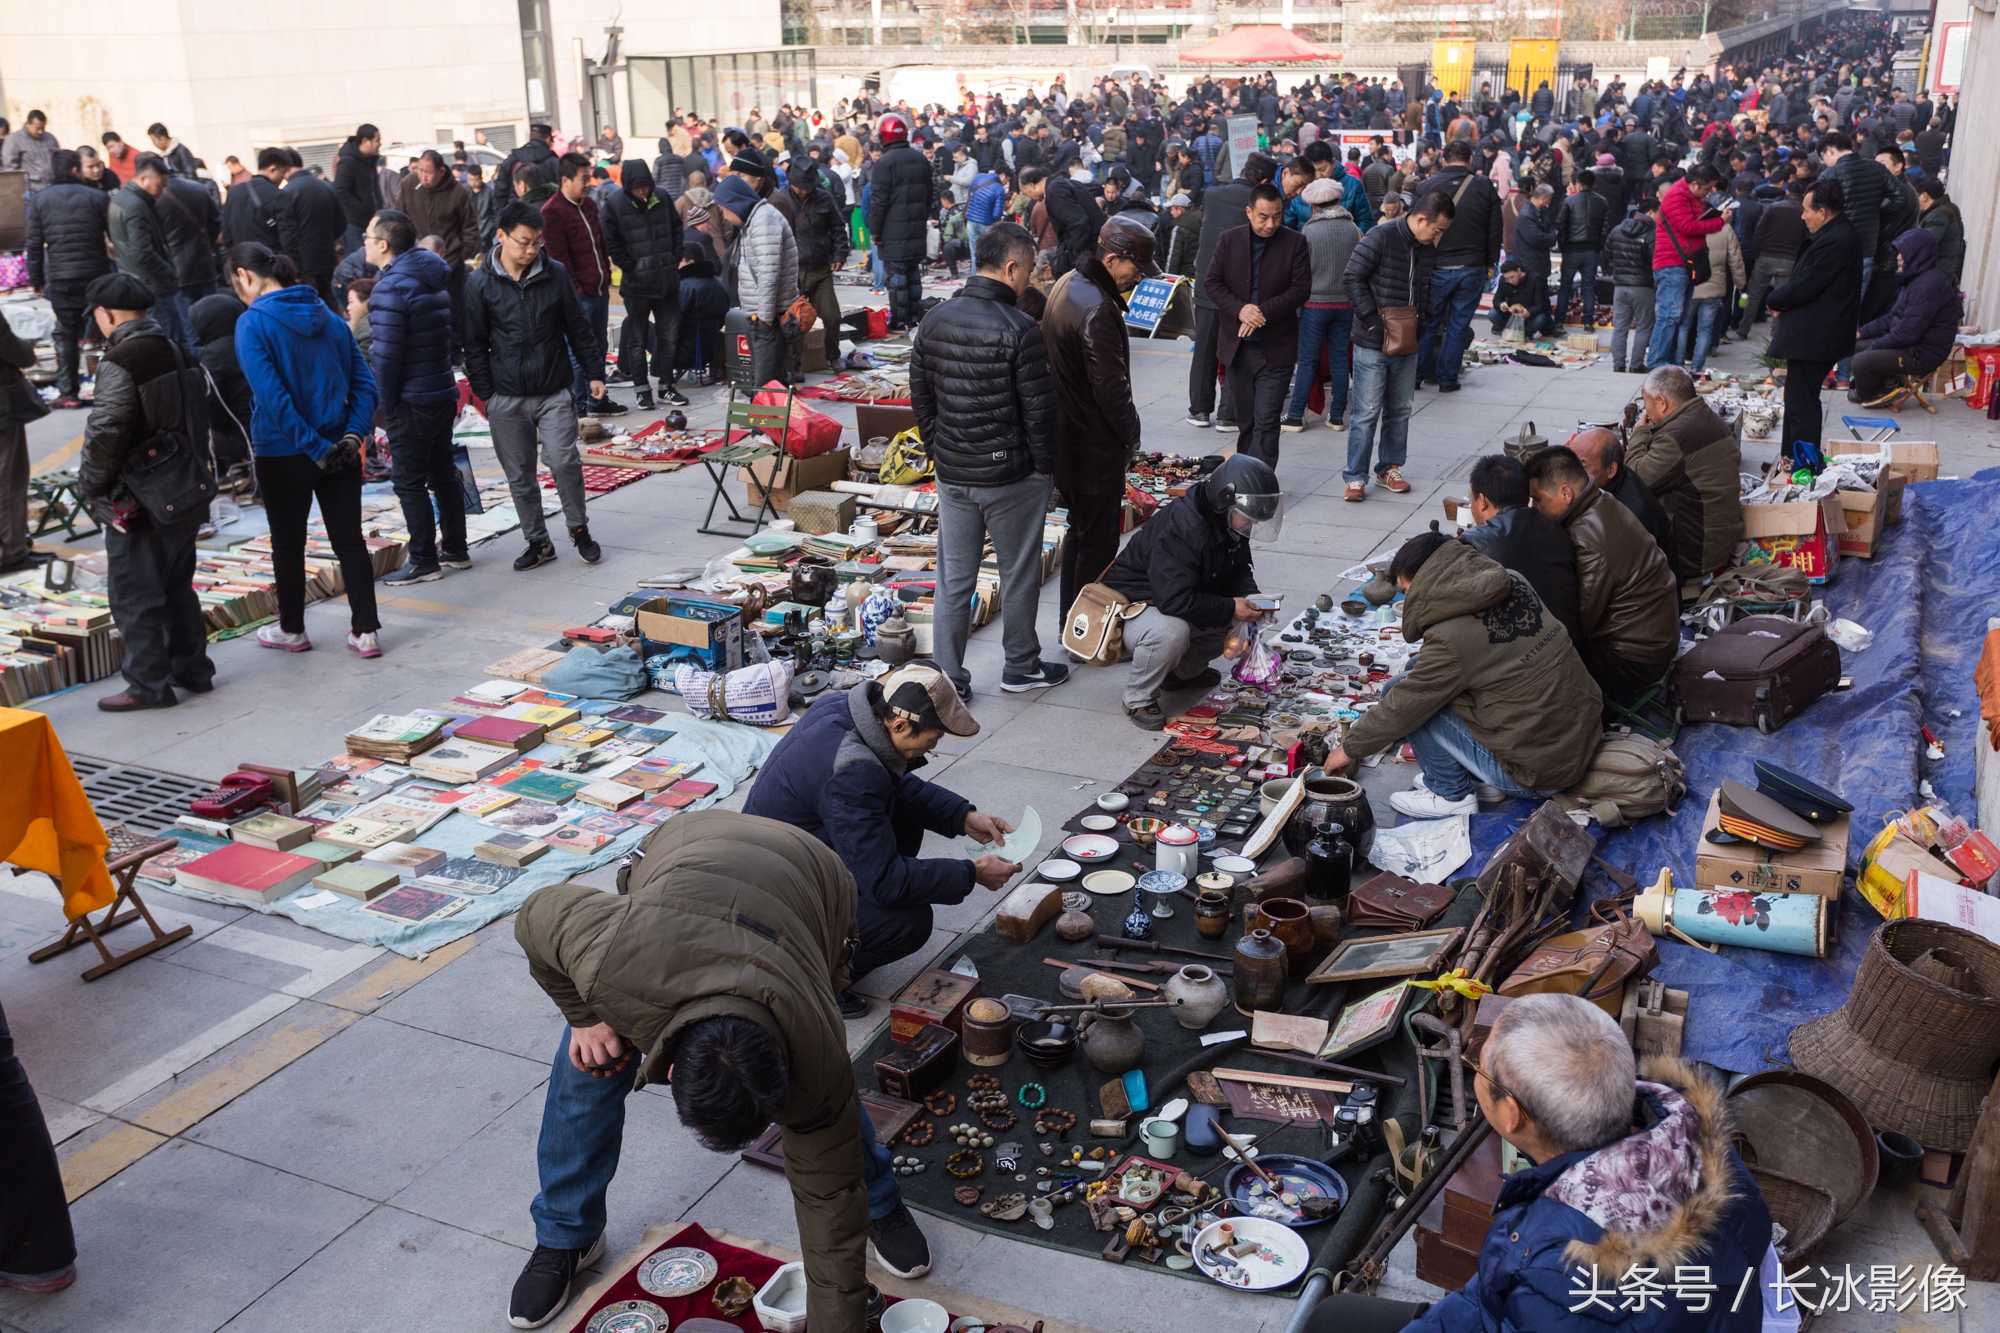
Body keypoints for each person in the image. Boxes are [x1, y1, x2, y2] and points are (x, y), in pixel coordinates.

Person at [509, 808, 937, 1330]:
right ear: (668, 1071)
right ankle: (566, 1236)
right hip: (688, 848)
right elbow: (536, 913)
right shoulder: (611, 960)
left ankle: (879, 1203)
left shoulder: (813, 1047)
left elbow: (825, 1202)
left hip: (813, 876)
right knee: (588, 1062)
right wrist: (585, 1016)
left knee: (829, 1117)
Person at [1299, 994, 1774, 1333]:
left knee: (1332, 1320)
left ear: (1510, 1114)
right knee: (1337, 1316)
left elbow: (1535, 1299)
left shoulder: (1554, 1257)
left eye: (1480, 1069)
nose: (1474, 1070)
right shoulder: (1701, 1143)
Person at [745, 665, 1019, 1009]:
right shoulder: (853, 773)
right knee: (907, 923)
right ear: (900, 725)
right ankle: (810, 983)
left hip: (778, 860)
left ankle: (838, 935)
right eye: (931, 741)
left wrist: (961, 816)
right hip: (774, 904)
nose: (931, 751)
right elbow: (886, 881)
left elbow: (890, 782)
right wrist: (971, 873)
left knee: (902, 820)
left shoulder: (844, 707)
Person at [1326, 531, 1600, 818]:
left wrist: (1348, 749)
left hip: (1538, 775)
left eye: (1407, 592)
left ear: (1427, 581)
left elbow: (1405, 705)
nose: (1408, 601)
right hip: (1576, 741)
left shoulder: (1452, 639)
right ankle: (1482, 778)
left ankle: (1452, 794)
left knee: (1409, 701)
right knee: (1411, 675)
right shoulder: (1512, 580)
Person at [909, 222, 1065, 699]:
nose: (1032, 281)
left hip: (955, 473)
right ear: (1010, 266)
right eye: (1030, 271)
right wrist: (1045, 468)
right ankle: (1019, 666)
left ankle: (948, 679)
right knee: (1018, 573)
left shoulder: (935, 318)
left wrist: (942, 448)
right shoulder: (1020, 328)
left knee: (954, 579)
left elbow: (921, 395)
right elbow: (1039, 412)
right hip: (1009, 476)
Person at [228, 243, 383, 658]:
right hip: (341, 447)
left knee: (288, 542)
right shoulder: (330, 318)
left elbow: (273, 399)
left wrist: (315, 447)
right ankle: (366, 631)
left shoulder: (252, 323)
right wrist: (352, 438)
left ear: (244, 275)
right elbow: (366, 384)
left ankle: (292, 629)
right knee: (350, 541)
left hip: (284, 452)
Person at [76, 273, 216, 710]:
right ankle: (192, 670)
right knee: (178, 586)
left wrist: (91, 485)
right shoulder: (180, 352)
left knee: (135, 593)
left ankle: (147, 686)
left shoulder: (122, 361)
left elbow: (107, 430)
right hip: (185, 487)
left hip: (141, 497)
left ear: (105, 315)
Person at [463, 202, 604, 572]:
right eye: (524, 242)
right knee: (520, 475)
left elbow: (578, 327)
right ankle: (538, 541)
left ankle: (579, 529)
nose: (531, 250)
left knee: (563, 460)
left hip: (553, 390)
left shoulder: (554, 274)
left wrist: (594, 372)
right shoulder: (479, 283)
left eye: (537, 243)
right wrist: (486, 395)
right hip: (505, 397)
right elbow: (473, 344)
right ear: (501, 236)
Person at [1102, 454, 1273, 731]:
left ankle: (1181, 674)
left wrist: (1251, 598)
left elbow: (1239, 570)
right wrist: (1231, 607)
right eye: (1249, 517)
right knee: (1172, 631)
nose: (1250, 524)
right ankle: (1138, 698)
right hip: (1126, 610)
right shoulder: (1183, 528)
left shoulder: (1229, 521)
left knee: (1235, 618)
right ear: (1225, 499)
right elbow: (1174, 600)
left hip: (1169, 599)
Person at [1043, 213, 1154, 621]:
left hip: (1068, 437)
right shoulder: (1097, 309)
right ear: (1112, 260)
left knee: (1082, 534)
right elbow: (1112, 391)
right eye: (1136, 267)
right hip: (1091, 445)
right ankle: (1085, 629)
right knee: (1097, 543)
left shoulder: (1069, 283)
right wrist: (1132, 437)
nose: (1139, 278)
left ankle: (1069, 624)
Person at [1525, 445, 1680, 700]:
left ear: (1566, 493)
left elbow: (1577, 624)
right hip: (1656, 635)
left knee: (1537, 659)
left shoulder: (1588, 538)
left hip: (1635, 659)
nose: (1534, 508)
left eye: (1538, 499)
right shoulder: (1601, 498)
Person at [362, 209, 466, 587]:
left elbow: (386, 356)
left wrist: (383, 406)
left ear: (384, 245)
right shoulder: (429, 277)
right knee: (442, 473)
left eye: (368, 237)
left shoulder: (391, 288)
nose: (365, 241)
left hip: (412, 397)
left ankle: (423, 559)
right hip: (440, 390)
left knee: (408, 481)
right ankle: (455, 548)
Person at [1342, 189, 1451, 501]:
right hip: (1373, 341)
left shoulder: (1427, 248)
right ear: (1420, 219)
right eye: (1437, 229)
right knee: (1365, 412)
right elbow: (1352, 278)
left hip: (1409, 340)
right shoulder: (1380, 236)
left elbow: (1427, 287)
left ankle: (1388, 468)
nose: (1438, 236)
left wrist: (1425, 323)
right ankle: (1355, 476)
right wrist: (1372, 321)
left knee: (1400, 409)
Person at [1203, 183, 1312, 470]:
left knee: (1267, 419)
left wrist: (1261, 312)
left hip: (1276, 348)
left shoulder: (1295, 242)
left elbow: (1300, 289)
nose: (1271, 223)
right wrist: (1240, 309)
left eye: (1277, 216)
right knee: (1246, 421)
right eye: (1263, 216)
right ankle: (1243, 474)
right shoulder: (1230, 240)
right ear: (1249, 212)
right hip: (1238, 349)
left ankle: (1259, 482)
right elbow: (1212, 283)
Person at [1765, 176, 1861, 466]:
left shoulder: (1836, 239)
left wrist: (1775, 299)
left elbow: (1805, 286)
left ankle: (1803, 463)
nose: (1803, 215)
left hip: (1816, 337)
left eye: (1807, 209)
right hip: (1814, 334)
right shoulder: (1835, 234)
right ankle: (1789, 460)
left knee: (1802, 405)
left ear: (1822, 212)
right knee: (1796, 401)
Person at [1624, 366, 1737, 582]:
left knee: (1621, 506)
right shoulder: (1705, 416)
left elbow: (1635, 480)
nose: (1645, 410)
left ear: (1662, 403)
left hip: (1694, 555)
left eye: (1646, 402)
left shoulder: (1675, 437)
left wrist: (1639, 433)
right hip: (1717, 541)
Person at [1184, 152, 1272, 430]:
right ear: (1265, 180)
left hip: (1207, 283)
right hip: (1238, 291)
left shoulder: (1212, 194)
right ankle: (1227, 414)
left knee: (1204, 350)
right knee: (1236, 351)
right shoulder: (1254, 204)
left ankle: (1198, 410)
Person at [1460, 453, 1581, 644]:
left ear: (1482, 501)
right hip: (1567, 647)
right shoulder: (1556, 528)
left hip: (1520, 662)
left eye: (1471, 498)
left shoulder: (1476, 544)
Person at [1411, 140, 1502, 394]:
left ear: (1443, 158)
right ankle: (1448, 379)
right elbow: (1495, 227)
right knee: (1459, 325)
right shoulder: (1483, 186)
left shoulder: (1426, 185)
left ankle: (1416, 376)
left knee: (1428, 322)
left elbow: (1413, 225)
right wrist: (1491, 262)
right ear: (1470, 160)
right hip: (1472, 266)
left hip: (1435, 265)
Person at [26, 149, 112, 410]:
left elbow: (33, 244)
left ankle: (69, 393)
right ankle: (112, 389)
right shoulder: (97, 197)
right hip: (96, 275)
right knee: (107, 333)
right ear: (76, 169)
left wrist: (36, 279)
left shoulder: (40, 200)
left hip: (61, 277)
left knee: (65, 335)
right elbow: (114, 238)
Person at [538, 154, 621, 418]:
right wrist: (576, 291)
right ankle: (581, 405)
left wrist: (606, 276)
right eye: (584, 178)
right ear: (566, 180)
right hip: (578, 295)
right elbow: (558, 259)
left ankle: (599, 400)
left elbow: (600, 244)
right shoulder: (552, 212)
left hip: (598, 290)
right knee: (577, 352)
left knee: (598, 348)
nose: (589, 183)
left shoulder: (589, 205)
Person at [601, 158, 687, 411]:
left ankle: (666, 386)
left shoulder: (661, 196)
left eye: (646, 187)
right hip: (637, 286)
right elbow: (611, 243)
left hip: (667, 281)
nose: (643, 192)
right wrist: (631, 267)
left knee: (669, 337)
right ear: (628, 187)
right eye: (637, 188)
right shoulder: (614, 204)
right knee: (636, 340)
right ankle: (641, 389)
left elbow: (677, 228)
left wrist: (675, 257)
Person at [1850, 227, 1962, 407]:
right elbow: (1892, 316)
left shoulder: (1928, 286)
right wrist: (1861, 333)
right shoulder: (1914, 279)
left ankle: (1870, 394)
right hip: (1909, 345)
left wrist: (1874, 346)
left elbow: (1908, 333)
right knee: (1850, 344)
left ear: (1918, 255)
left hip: (1923, 354)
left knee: (1861, 361)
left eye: (1903, 253)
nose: (1898, 257)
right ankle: (1887, 384)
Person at [1283, 177, 1359, 433]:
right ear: (1339, 201)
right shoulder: (1352, 229)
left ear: (1314, 207)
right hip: (1345, 305)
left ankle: (1295, 416)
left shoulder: (1309, 231)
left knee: (1307, 361)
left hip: (1315, 306)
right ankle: (1336, 416)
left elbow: (1301, 274)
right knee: (1339, 360)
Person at [713, 174, 800, 388]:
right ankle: (772, 419)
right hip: (760, 315)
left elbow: (768, 274)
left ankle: (763, 421)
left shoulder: (763, 220)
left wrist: (766, 319)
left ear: (735, 203)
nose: (724, 216)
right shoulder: (756, 219)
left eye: (723, 209)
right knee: (771, 381)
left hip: (767, 317)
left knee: (766, 383)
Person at [1645, 164, 1730, 370]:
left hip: (1685, 262)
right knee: (1670, 315)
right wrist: (1719, 222)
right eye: (1707, 188)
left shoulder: (1693, 197)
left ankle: (1671, 362)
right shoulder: (1677, 196)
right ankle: (1656, 363)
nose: (1709, 192)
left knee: (1679, 317)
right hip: (1671, 263)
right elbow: (1687, 227)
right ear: (1693, 184)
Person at [1566, 427, 1679, 577]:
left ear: (1611, 470)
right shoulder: (1616, 480)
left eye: (1582, 466)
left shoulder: (1628, 513)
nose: (1570, 475)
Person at [398, 150, 481, 349]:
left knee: (453, 310)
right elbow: (399, 219)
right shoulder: (409, 185)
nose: (423, 177)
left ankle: (456, 351)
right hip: (419, 262)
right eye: (419, 170)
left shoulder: (457, 191)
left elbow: (470, 226)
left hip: (451, 261)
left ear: (442, 171)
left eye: (428, 172)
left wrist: (463, 255)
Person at [109, 157, 187, 349]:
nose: (162, 193)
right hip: (153, 284)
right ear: (143, 179)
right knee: (171, 341)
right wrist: (169, 270)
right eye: (160, 186)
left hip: (137, 279)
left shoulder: (121, 198)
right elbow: (143, 252)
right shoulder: (137, 205)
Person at [868, 114, 936, 331]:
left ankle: (899, 320)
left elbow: (879, 202)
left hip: (893, 231)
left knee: (897, 279)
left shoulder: (884, 163)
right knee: (913, 276)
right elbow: (929, 195)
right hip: (915, 229)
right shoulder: (920, 159)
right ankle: (914, 318)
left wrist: (874, 231)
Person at [781, 162, 850, 366]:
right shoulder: (781, 200)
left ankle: (833, 355)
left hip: (821, 268)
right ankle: (795, 364)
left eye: (807, 186)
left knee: (832, 316)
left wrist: (839, 254)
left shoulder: (824, 198)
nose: (803, 191)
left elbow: (838, 228)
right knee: (796, 320)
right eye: (799, 186)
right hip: (794, 271)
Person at [1733, 180, 1805, 342]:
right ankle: (1775, 335)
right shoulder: (1804, 212)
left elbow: (1759, 231)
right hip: (1789, 260)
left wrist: (1758, 252)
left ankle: (1743, 329)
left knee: (1754, 295)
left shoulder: (1774, 207)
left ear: (1787, 192)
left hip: (1765, 257)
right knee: (1781, 300)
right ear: (1804, 196)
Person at [189, 293, 253, 477]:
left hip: (244, 433)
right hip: (266, 425)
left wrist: (219, 429)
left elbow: (210, 402)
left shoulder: (214, 354)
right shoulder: (250, 337)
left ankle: (226, 471)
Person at [282, 150, 346, 310]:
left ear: (286, 167)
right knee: (331, 299)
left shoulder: (287, 192)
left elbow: (287, 232)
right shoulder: (326, 186)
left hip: (303, 260)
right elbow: (342, 222)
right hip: (328, 255)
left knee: (310, 303)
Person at [1680, 218, 1744, 374]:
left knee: (1683, 327)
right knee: (1705, 329)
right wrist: (1740, 281)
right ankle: (1697, 367)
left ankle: (1678, 366)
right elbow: (1735, 258)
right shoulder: (1725, 229)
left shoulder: (1688, 226)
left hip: (1691, 285)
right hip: (1714, 286)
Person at [1552, 169, 1609, 332]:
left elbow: (1561, 224)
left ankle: (1559, 322)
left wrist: (1562, 246)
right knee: (1589, 287)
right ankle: (1588, 323)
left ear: (1577, 184)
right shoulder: (1602, 202)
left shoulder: (1570, 201)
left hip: (1571, 249)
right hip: (1591, 250)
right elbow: (1605, 228)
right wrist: (1598, 246)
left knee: (1565, 286)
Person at [673, 243, 731, 386]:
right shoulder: (719, 284)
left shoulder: (685, 287)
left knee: (631, 324)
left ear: (690, 262)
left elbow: (673, 326)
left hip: (683, 353)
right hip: (709, 351)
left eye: (679, 261)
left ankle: (624, 372)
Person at [333, 123, 383, 258]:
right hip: (354, 224)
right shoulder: (348, 161)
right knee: (359, 261)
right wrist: (362, 209)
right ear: (365, 141)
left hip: (372, 221)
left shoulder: (370, 160)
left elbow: (374, 188)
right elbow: (340, 190)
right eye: (377, 140)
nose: (379, 144)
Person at [1915, 177, 1963, 291]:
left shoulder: (1938, 216)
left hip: (1935, 275)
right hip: (1939, 273)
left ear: (1924, 196)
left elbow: (1924, 244)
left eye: (1917, 196)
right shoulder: (1947, 208)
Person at [1488, 259, 1553, 340]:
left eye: (1512, 277)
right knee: (1492, 313)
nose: (1510, 281)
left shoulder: (1534, 279)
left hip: (1528, 314)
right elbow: (1497, 299)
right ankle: (1507, 330)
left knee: (1540, 319)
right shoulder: (1503, 281)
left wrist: (1528, 312)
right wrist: (1501, 304)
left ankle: (1527, 333)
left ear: (1518, 270)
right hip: (1511, 314)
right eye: (1507, 279)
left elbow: (1539, 304)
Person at [1, 110, 60, 196]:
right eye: (37, 128)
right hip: (31, 192)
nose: (41, 131)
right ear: (27, 124)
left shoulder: (50, 138)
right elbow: (11, 170)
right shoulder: (14, 140)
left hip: (52, 188)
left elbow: (59, 159)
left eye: (43, 128)